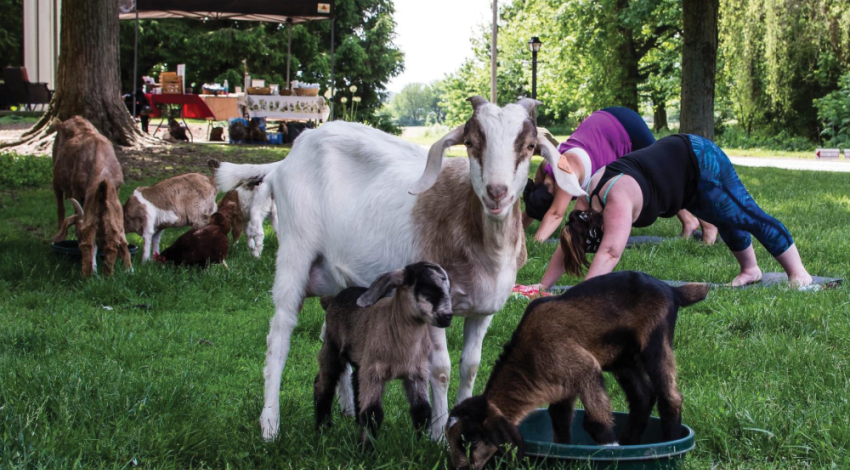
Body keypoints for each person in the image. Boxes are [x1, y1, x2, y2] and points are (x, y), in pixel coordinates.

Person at [536, 134, 812, 288]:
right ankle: (751, 269)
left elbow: (610, 252)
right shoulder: (585, 203)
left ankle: (799, 273)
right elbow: (569, 241)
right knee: (722, 217)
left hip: (698, 160)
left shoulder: (615, 200)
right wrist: (541, 287)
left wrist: (584, 295)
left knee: (744, 214)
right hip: (681, 180)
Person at [522, 107, 717, 243]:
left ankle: (708, 226)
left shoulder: (565, 175)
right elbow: (535, 204)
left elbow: (556, 214)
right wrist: (518, 231)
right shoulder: (544, 169)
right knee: (660, 179)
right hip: (602, 124)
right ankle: (689, 222)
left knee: (667, 175)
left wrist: (535, 243)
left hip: (623, 127)